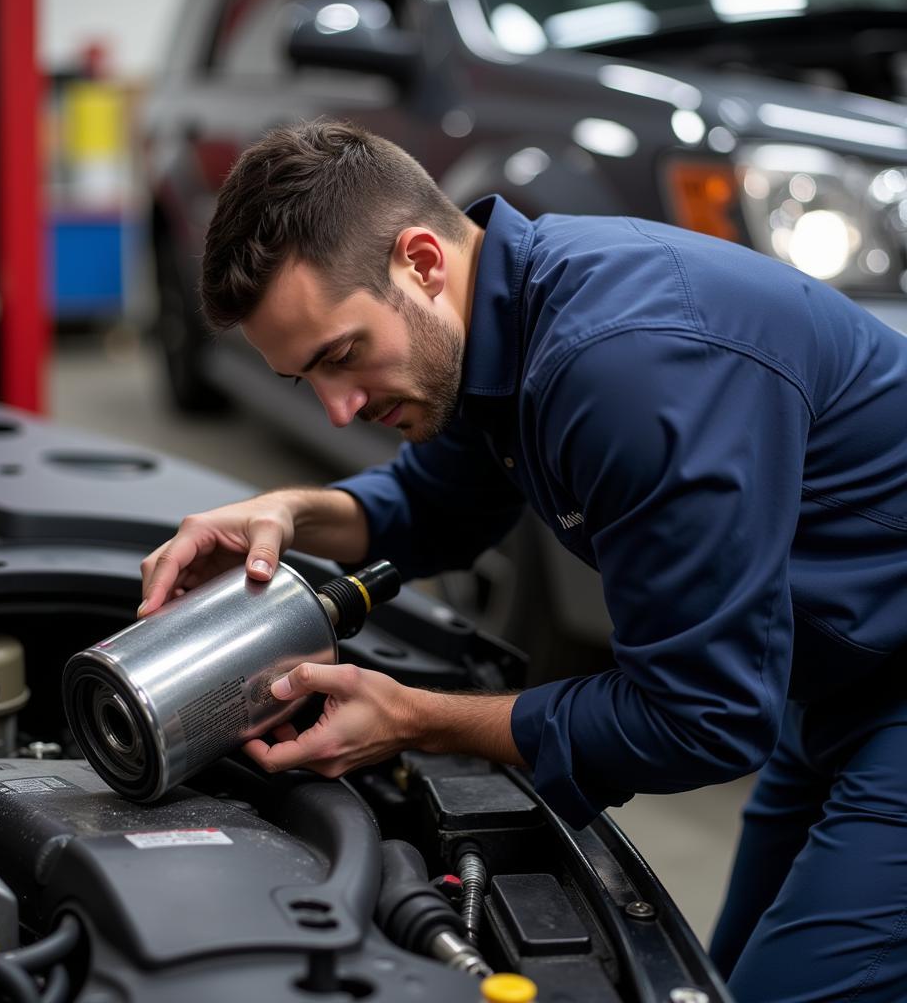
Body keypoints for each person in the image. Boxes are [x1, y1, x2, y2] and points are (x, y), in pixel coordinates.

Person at [138, 119, 907, 1002]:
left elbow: (702, 717)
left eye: (342, 357)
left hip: (880, 674)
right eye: (304, 379)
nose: (339, 409)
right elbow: (433, 506)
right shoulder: (499, 315)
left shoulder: (624, 369)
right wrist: (286, 511)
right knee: (716, 982)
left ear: (421, 261)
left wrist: (413, 716)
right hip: (841, 668)